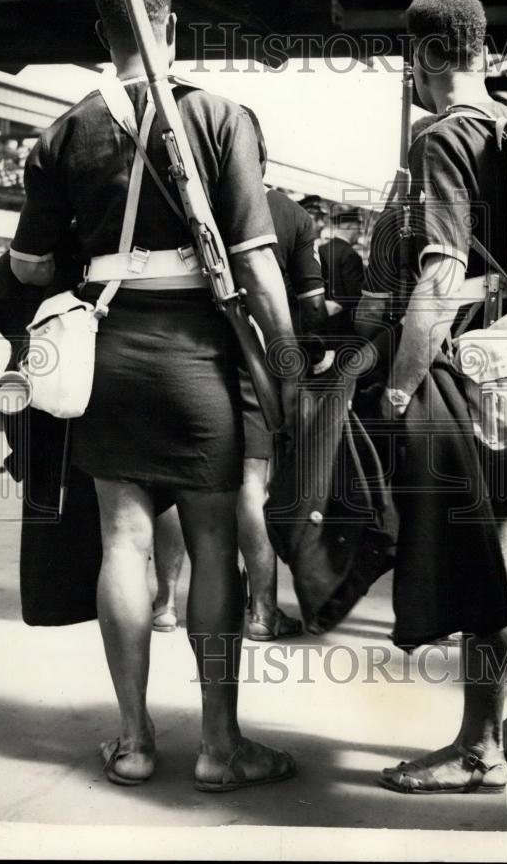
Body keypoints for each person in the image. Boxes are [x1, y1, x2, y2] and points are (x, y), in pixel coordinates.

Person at [9, 0, 297, 791]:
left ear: (102, 34)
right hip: (199, 360)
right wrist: (288, 377)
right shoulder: (218, 116)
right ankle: (220, 747)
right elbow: (258, 269)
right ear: (171, 25)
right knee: (214, 550)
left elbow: (29, 267)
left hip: (109, 359)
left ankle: (133, 743)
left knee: (124, 545)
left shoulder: (66, 130)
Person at [367, 0, 507, 793]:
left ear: (428, 55)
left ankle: (477, 749)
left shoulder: (442, 137)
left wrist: (401, 387)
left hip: (480, 369)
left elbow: (439, 276)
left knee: (489, 558)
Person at [152, 108, 330, 642]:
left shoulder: (182, 203)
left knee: (174, 481)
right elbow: (312, 307)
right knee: (253, 482)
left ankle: (164, 603)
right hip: (257, 359)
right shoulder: (293, 216)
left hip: (184, 354)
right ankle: (262, 612)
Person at [319, 205, 365, 340]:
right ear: (350, 227)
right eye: (358, 227)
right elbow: (356, 297)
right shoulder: (351, 255)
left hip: (320, 323)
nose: (360, 231)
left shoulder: (321, 250)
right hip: (342, 328)